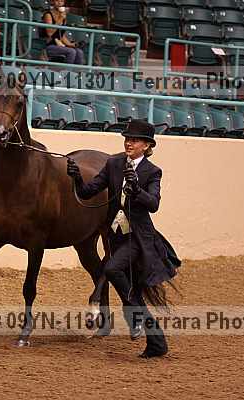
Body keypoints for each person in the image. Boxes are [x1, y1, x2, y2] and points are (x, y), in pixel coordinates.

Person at [66, 120, 181, 358]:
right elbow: (88, 191)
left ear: (147, 146)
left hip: (138, 238)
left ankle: (134, 316)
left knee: (111, 269)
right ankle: (157, 343)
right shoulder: (114, 163)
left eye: (135, 140)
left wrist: (136, 189)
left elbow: (154, 204)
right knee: (133, 291)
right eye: (127, 139)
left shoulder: (152, 172)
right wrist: (77, 178)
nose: (129, 143)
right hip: (117, 237)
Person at [40, 0, 84, 64]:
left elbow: (61, 34)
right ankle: (67, 70)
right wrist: (60, 19)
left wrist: (70, 44)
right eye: (57, 0)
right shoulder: (48, 15)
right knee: (71, 52)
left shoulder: (63, 15)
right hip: (50, 45)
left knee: (79, 52)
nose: (59, 3)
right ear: (53, 2)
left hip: (60, 44)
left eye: (61, 1)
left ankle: (78, 70)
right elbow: (50, 33)